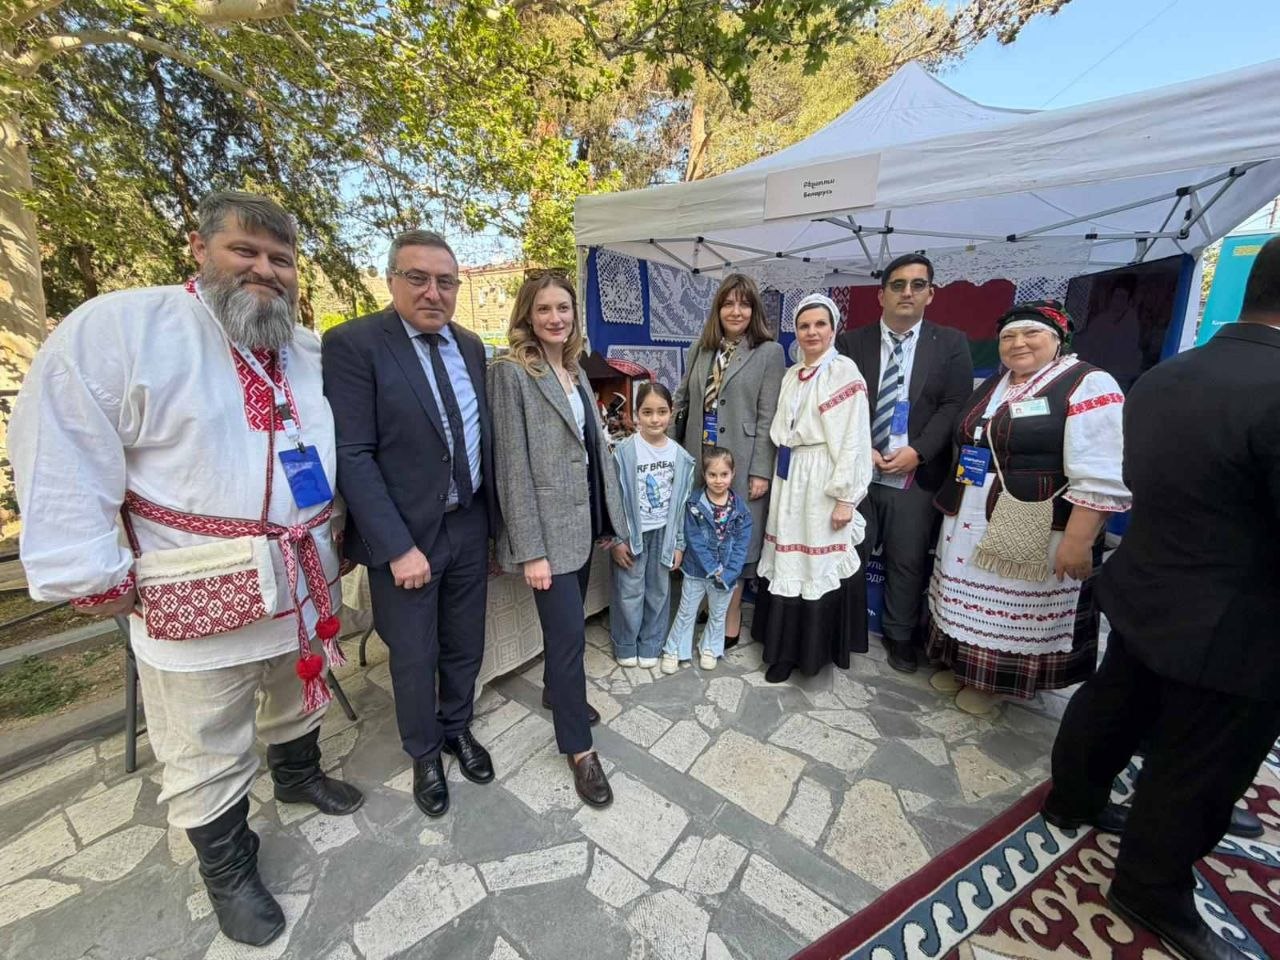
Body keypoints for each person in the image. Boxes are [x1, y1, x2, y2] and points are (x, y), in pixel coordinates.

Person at [9, 191, 363, 947]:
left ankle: (298, 776)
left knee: (297, 693)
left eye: (281, 259)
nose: (265, 271)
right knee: (205, 736)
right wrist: (89, 570)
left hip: (298, 575)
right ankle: (229, 869)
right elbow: (66, 443)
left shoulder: (307, 350)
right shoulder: (123, 330)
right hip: (193, 580)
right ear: (199, 250)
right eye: (246, 252)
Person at [1042, 238, 1280, 960]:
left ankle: (1074, 798)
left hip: (1148, 583)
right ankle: (1149, 882)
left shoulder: (1166, 377)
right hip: (1236, 616)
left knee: (1117, 698)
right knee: (1201, 759)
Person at [322, 229, 498, 820]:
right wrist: (397, 547)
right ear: (392, 280)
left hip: (468, 525)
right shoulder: (354, 344)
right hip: (405, 539)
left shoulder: (472, 346)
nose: (433, 292)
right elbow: (353, 453)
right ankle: (424, 752)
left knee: (464, 643)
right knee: (414, 656)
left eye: (445, 281)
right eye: (418, 278)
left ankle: (457, 729)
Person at [926, 301, 1130, 715]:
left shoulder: (1087, 384)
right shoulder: (996, 383)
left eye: (1031, 334)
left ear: (1057, 340)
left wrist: (1079, 539)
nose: (1018, 343)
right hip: (971, 511)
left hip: (1031, 517)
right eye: (1008, 336)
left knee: (1015, 602)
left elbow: (1100, 470)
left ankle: (995, 684)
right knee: (961, 590)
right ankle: (965, 668)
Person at [489, 273, 625, 807]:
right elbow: (512, 468)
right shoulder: (511, 372)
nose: (555, 317)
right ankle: (579, 749)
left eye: (563, 307)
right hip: (546, 534)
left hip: (580, 525)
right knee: (569, 640)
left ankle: (554, 693)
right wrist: (532, 551)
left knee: (566, 637)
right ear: (528, 314)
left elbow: (591, 448)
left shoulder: (574, 371)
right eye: (543, 308)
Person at [835, 253, 974, 673]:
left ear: (930, 294)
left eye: (917, 285)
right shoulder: (850, 343)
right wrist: (863, 446)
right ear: (881, 294)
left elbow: (955, 405)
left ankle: (899, 636)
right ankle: (846, 631)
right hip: (860, 469)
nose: (907, 292)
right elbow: (838, 404)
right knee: (850, 553)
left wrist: (919, 451)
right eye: (898, 285)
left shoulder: (950, 343)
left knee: (907, 559)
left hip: (916, 473)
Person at [755, 293, 873, 684]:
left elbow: (854, 439)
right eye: (804, 325)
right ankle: (783, 651)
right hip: (790, 474)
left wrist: (845, 498)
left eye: (819, 324)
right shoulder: (792, 374)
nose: (811, 332)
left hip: (823, 475)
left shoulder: (843, 373)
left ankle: (812, 653)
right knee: (789, 559)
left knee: (815, 563)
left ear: (833, 328)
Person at [671, 273, 785, 647]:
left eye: (744, 303)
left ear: (754, 310)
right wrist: (672, 452)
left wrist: (761, 471)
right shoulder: (700, 349)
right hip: (699, 458)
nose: (736, 311)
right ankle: (705, 600)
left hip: (741, 461)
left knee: (733, 540)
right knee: (702, 532)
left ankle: (730, 616)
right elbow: (683, 402)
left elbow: (770, 416)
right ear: (717, 308)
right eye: (728, 303)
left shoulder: (768, 353)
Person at [609, 382, 696, 667]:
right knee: (629, 591)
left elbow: (682, 504)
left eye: (661, 412)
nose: (655, 419)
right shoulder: (624, 452)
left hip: (664, 533)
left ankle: (651, 643)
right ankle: (625, 644)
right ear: (636, 415)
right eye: (647, 412)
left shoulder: (680, 457)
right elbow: (613, 498)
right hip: (633, 533)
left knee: (659, 591)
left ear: (671, 413)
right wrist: (616, 539)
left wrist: (679, 543)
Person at [661, 447, 752, 673]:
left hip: (726, 575)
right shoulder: (694, 504)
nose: (718, 480)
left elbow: (741, 545)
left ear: (733, 474)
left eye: (724, 474)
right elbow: (694, 539)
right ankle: (674, 650)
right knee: (686, 611)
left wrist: (730, 572)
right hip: (696, 571)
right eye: (712, 475)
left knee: (718, 613)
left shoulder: (741, 510)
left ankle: (710, 648)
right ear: (704, 475)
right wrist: (713, 568)